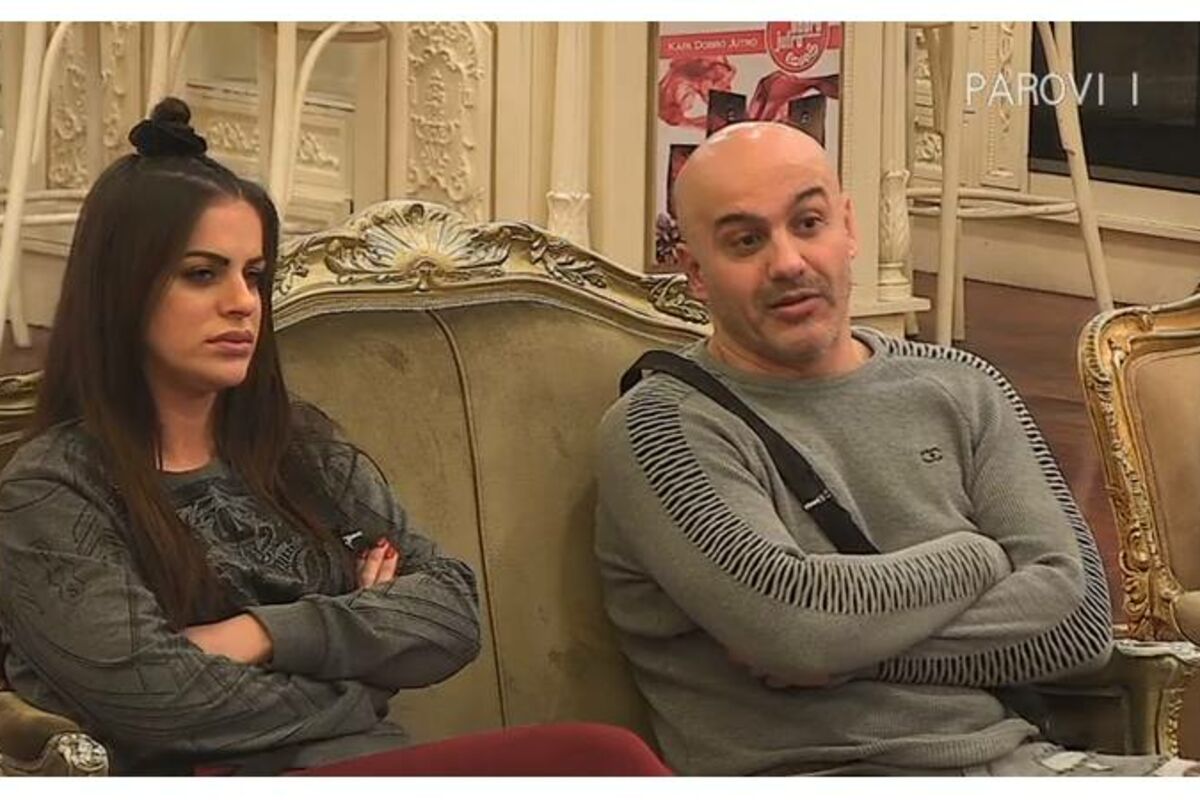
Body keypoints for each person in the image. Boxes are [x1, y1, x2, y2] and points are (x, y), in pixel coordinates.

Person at [0, 98, 670, 777]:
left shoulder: (299, 449)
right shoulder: (52, 488)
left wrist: (260, 632)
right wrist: (363, 671)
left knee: (602, 757)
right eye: (202, 274)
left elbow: (451, 610)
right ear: (121, 291)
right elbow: (156, 696)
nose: (242, 303)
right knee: (602, 759)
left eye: (254, 276)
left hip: (372, 764)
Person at [593, 120, 1198, 777]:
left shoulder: (963, 385)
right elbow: (796, 625)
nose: (788, 262)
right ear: (695, 273)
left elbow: (1076, 623)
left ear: (849, 227)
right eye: (746, 240)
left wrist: (857, 652)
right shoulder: (663, 426)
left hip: (1025, 766)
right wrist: (977, 556)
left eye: (809, 223)